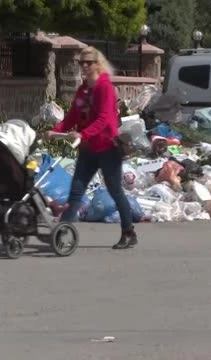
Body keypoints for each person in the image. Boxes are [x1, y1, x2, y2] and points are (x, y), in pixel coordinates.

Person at [46, 46, 138, 250]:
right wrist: (56, 130)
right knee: (76, 191)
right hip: (88, 149)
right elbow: (72, 117)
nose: (84, 67)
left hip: (107, 147)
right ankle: (63, 232)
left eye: (88, 63)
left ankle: (128, 232)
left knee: (115, 191)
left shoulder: (104, 87)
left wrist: (82, 134)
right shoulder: (83, 89)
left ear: (98, 64)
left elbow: (104, 119)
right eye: (81, 63)